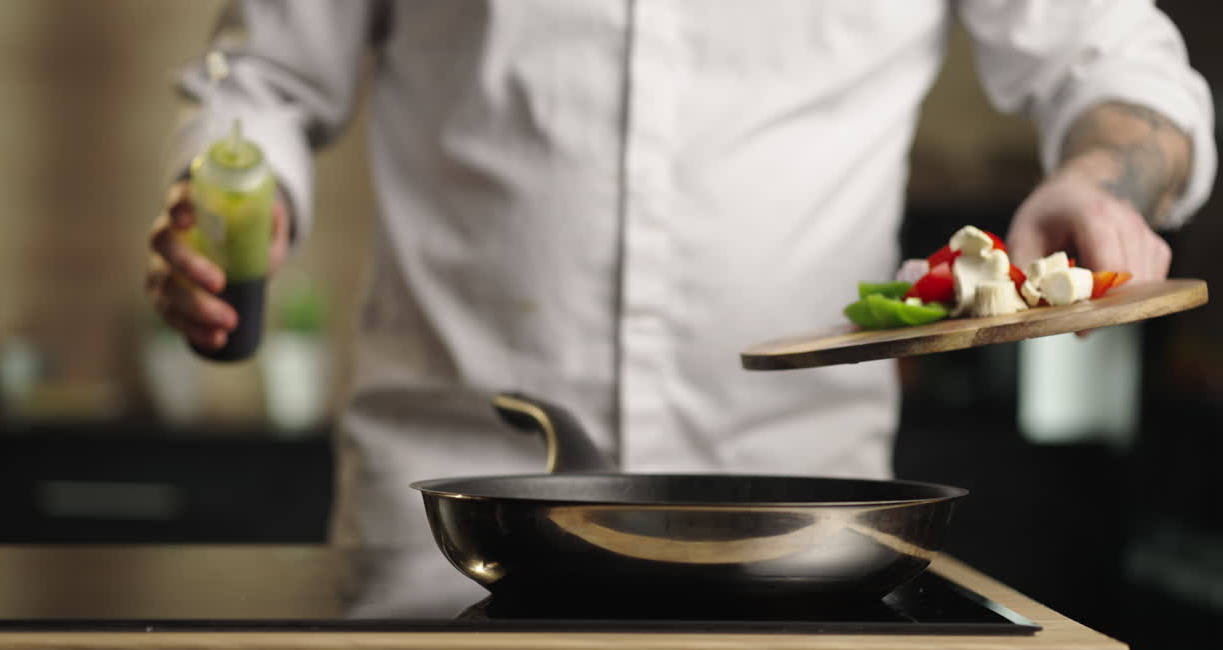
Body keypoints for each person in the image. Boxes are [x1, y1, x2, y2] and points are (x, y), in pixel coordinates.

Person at [146, 1, 1215, 604]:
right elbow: (265, 82)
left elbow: (1119, 68)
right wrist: (237, 200)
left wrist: (1101, 179)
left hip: (809, 549)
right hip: (443, 537)